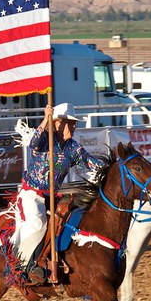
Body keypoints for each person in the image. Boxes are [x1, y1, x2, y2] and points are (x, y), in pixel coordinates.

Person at [13, 103, 106, 282]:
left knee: (72, 221)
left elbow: (91, 163)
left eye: (74, 123)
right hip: (32, 192)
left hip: (53, 196)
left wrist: (111, 169)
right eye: (69, 123)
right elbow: (32, 142)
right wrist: (45, 118)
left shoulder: (73, 148)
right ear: (57, 124)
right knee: (37, 222)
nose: (73, 127)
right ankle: (26, 263)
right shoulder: (45, 139)